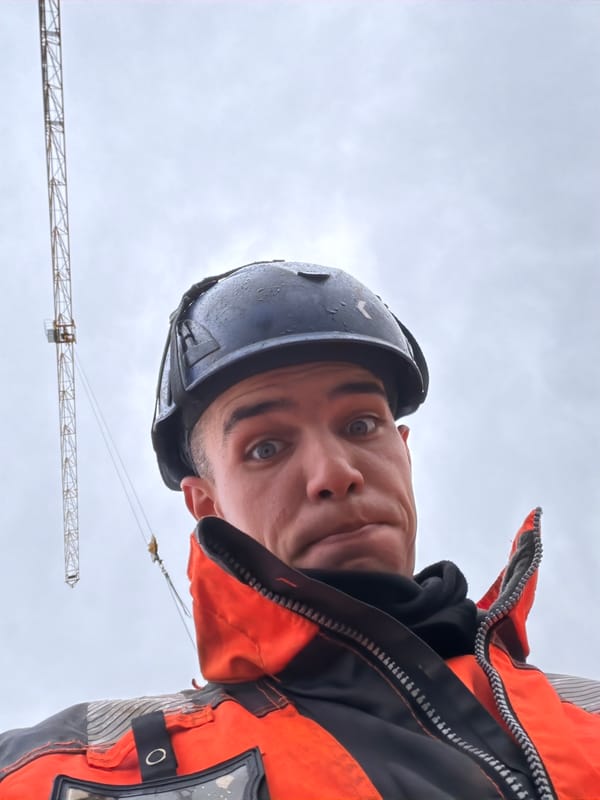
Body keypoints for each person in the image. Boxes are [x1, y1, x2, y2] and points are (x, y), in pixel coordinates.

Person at [1, 260, 598, 799]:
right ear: (206, 506)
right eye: (265, 447)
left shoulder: (588, 715)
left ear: (404, 453)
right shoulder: (83, 773)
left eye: (362, 424)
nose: (335, 474)